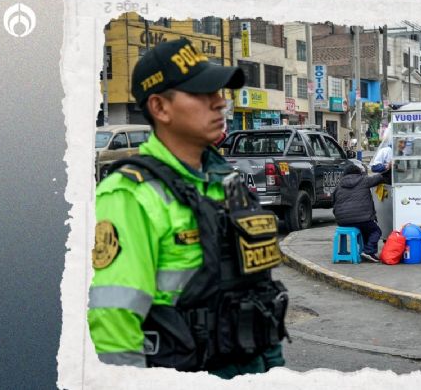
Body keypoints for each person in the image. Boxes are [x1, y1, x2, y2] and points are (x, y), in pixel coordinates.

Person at [88, 39, 288, 378]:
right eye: (201, 94)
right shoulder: (130, 195)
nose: (220, 103)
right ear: (160, 108)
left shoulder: (229, 183)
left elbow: (258, 292)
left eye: (219, 92)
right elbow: (114, 321)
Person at [333, 164, 388, 262]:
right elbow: (380, 178)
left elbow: (334, 202)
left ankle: (366, 252)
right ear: (359, 172)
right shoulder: (364, 180)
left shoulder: (339, 185)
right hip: (363, 219)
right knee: (376, 231)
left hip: (342, 221)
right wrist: (389, 167)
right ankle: (368, 251)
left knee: (364, 230)